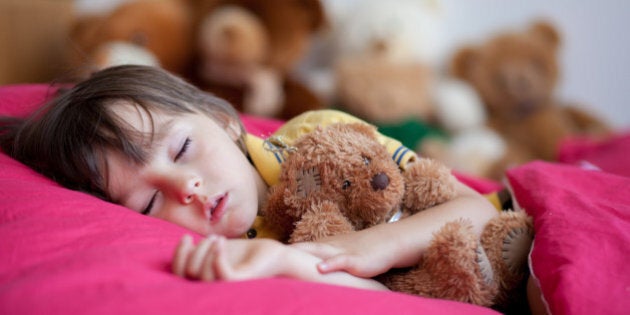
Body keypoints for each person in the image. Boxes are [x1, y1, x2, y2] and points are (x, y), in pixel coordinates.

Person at [0, 65, 497, 291]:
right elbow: (386, 301)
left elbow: (476, 208)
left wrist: (375, 246)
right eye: (150, 203)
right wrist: (288, 263)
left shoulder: (320, 140)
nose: (185, 188)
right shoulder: (237, 253)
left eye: (182, 149)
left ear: (222, 120)